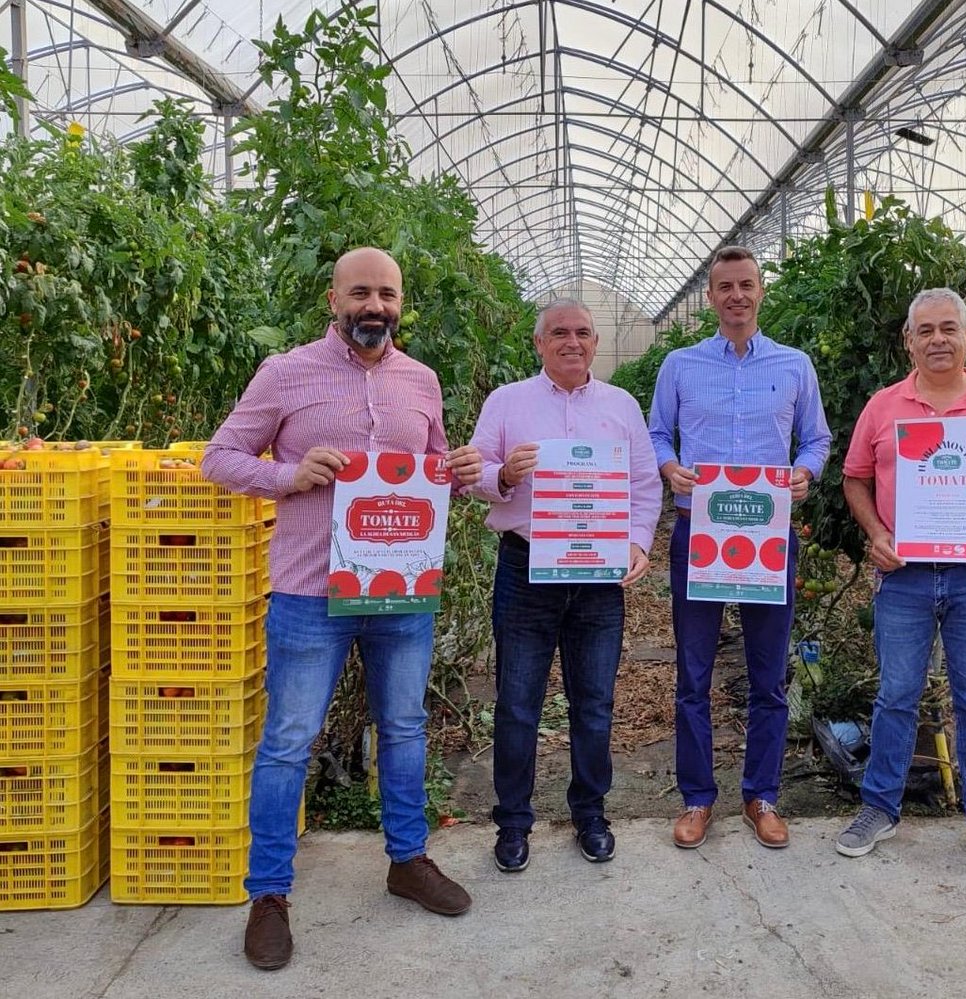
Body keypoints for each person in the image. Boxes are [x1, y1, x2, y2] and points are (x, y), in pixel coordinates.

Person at [202, 247, 484, 971]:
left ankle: (407, 858)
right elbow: (220, 457)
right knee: (290, 738)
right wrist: (289, 476)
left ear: (399, 303)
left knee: (405, 726)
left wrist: (458, 471)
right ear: (334, 299)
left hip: (399, 591)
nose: (374, 306)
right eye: (360, 292)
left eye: (386, 294)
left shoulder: (421, 380)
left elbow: (436, 468)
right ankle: (268, 894)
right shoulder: (286, 373)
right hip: (309, 589)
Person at [837, 287, 966, 879]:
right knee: (896, 696)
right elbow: (854, 479)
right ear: (908, 341)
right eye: (924, 330)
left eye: (948, 329)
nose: (937, 340)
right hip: (903, 576)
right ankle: (879, 808)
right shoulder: (884, 408)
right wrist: (876, 531)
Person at [648, 245, 832, 850]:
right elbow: (655, 434)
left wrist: (804, 473)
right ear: (710, 296)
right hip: (699, 532)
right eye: (725, 287)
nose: (737, 296)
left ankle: (762, 795)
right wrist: (670, 466)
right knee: (692, 674)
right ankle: (698, 799)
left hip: (766, 532)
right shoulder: (679, 364)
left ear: (761, 290)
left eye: (746, 285)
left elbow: (816, 439)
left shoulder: (794, 364)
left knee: (768, 676)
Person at [470, 299, 662, 872]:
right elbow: (473, 473)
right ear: (539, 343)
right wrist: (502, 475)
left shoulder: (621, 406)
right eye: (559, 332)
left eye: (581, 332)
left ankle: (590, 812)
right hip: (527, 570)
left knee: (595, 703)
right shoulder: (507, 403)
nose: (571, 341)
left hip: (599, 578)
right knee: (518, 704)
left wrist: (638, 541)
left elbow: (645, 485)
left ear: (595, 343)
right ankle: (513, 822)